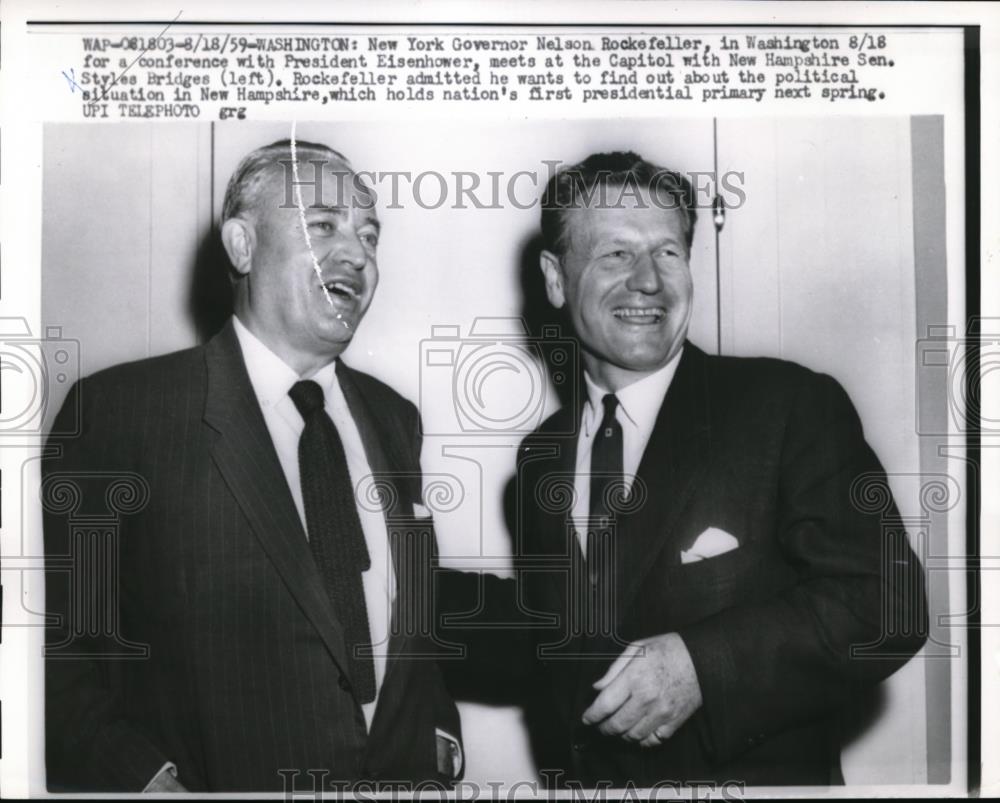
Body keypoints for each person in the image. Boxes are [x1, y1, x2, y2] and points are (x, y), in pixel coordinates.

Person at [441, 151, 928, 787]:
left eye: (668, 252)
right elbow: (554, 637)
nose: (647, 280)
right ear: (556, 279)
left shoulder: (785, 407)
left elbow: (887, 606)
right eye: (616, 253)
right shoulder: (540, 462)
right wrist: (397, 591)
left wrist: (702, 666)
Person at [43, 140, 462, 792]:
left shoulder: (393, 417)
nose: (356, 252)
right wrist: (143, 781)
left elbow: (415, 628)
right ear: (242, 246)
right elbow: (59, 656)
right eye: (322, 224)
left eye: (369, 234)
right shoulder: (120, 413)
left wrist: (439, 741)